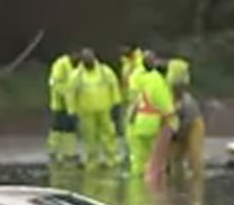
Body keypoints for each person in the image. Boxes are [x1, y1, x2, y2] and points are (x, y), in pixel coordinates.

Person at [128, 51, 177, 183]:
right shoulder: (159, 83)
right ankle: (153, 183)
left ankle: (137, 181)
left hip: (140, 121)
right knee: (154, 155)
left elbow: (136, 100)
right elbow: (167, 108)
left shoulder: (144, 79)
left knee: (138, 155)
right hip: (153, 123)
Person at [70, 47, 123, 167]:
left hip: (104, 109)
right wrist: (72, 110)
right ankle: (92, 161)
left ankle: (112, 159)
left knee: (109, 135)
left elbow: (113, 86)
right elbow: (71, 93)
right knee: (90, 138)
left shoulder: (105, 71)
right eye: (86, 59)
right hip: (86, 112)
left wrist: (116, 103)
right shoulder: (77, 75)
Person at [169, 77, 206, 180]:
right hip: (178, 127)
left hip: (194, 125)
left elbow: (187, 123)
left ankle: (197, 177)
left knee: (194, 154)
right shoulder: (169, 99)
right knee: (175, 156)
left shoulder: (187, 102)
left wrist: (180, 136)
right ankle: (177, 178)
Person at [47, 51, 80, 164]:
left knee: (70, 130)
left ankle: (69, 153)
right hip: (60, 104)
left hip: (72, 105)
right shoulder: (60, 65)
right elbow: (56, 84)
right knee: (58, 128)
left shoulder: (77, 66)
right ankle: (54, 151)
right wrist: (66, 96)